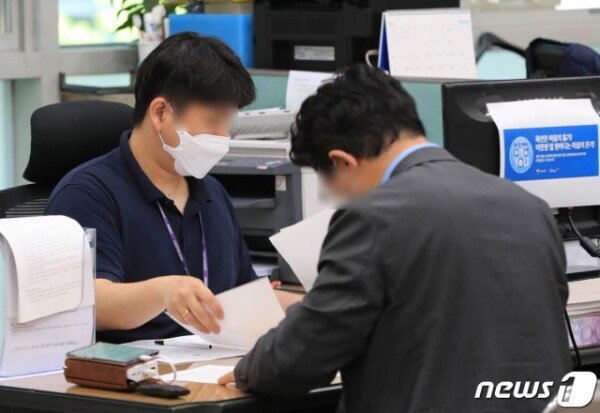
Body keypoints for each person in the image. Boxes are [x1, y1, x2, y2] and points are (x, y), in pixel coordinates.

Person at [218, 64, 571, 412]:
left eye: (330, 187)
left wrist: (247, 369)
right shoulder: (530, 208)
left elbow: (298, 359)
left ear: (341, 162)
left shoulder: (372, 218)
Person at [45, 32, 298, 344]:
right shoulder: (87, 193)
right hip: (132, 376)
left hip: (216, 367)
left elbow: (240, 294)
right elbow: (90, 303)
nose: (222, 136)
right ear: (161, 113)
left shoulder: (212, 193)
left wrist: (318, 308)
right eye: (212, 121)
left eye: (227, 124)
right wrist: (164, 292)